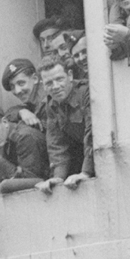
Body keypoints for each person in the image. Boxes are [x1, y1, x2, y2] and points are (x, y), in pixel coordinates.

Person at [39, 53, 94, 185]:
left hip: (96, 161)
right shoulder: (51, 105)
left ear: (70, 75)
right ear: (43, 85)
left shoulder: (86, 93)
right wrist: (58, 177)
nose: (55, 86)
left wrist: (86, 172)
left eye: (59, 79)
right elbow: (56, 144)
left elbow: (92, 134)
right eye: (49, 83)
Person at [0, 102, 51, 192]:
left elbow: (30, 181)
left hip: (52, 192)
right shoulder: (6, 138)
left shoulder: (24, 137)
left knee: (4, 186)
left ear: (5, 122)